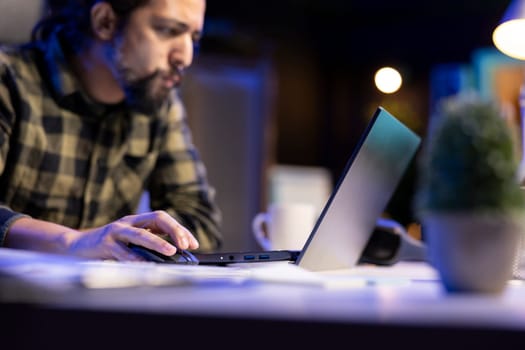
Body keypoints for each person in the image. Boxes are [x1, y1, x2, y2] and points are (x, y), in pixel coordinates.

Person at [0, 0, 223, 261]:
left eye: (193, 37)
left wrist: (136, 240)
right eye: (168, 30)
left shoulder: (157, 102)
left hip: (101, 296)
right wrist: (75, 242)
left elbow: (200, 218)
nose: (185, 56)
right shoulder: (9, 81)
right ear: (105, 21)